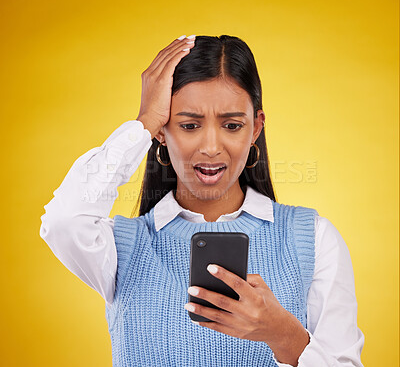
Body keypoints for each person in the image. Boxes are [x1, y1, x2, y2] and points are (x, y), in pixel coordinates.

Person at [39, 34, 365, 366]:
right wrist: (143, 124)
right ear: (162, 133)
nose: (210, 147)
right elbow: (64, 222)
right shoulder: (122, 247)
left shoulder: (312, 238)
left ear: (255, 129)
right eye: (190, 125)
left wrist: (285, 337)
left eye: (233, 125)